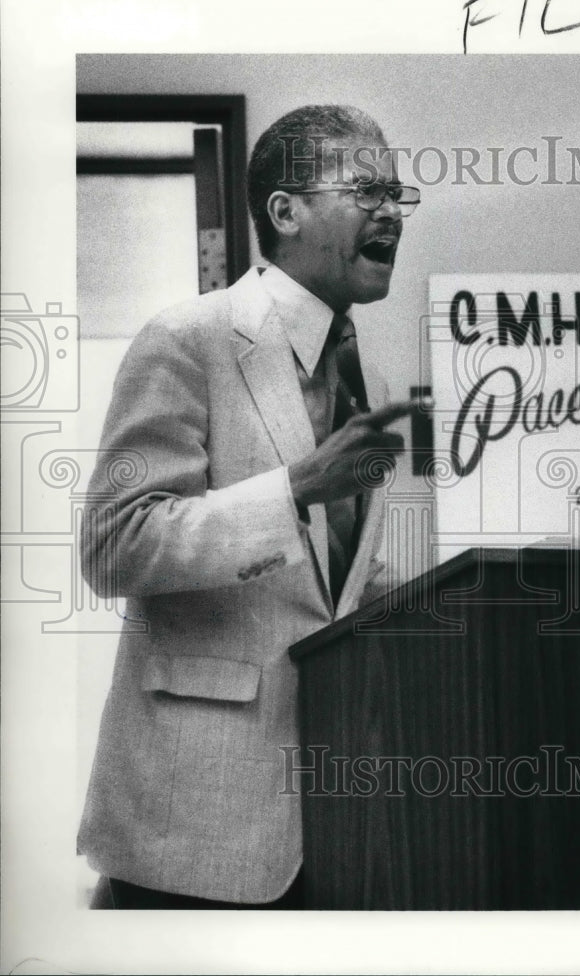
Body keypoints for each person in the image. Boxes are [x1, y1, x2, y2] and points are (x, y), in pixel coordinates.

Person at [77, 104, 422, 909]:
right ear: (285, 211)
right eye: (366, 189)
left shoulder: (355, 358)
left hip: (330, 834)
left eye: (398, 195)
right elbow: (113, 546)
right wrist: (298, 486)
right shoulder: (186, 338)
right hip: (185, 837)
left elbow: (321, 582)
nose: (391, 213)